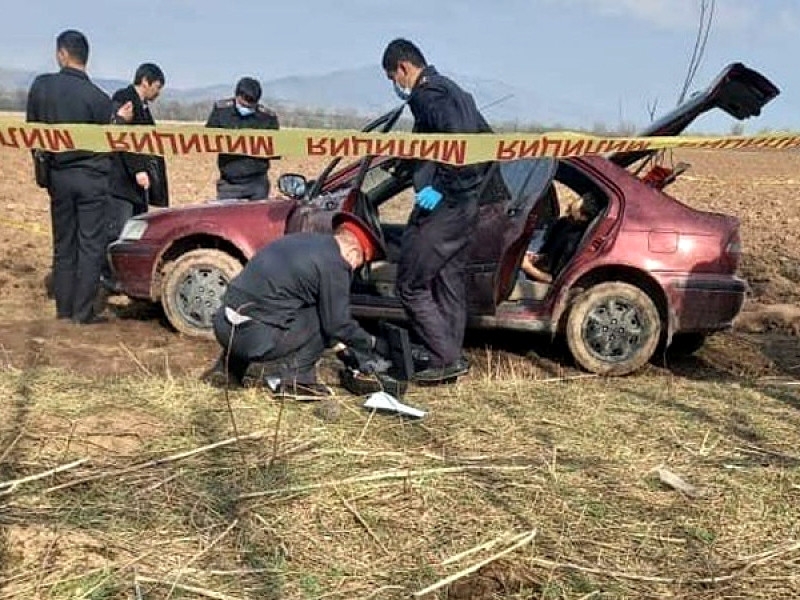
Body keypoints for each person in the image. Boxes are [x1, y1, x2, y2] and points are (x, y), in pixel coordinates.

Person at [382, 38, 492, 383]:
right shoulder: (456, 91)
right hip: (466, 204)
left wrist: (438, 188)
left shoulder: (430, 94)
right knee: (448, 280)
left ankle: (444, 357)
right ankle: (447, 355)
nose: (395, 86)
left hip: (450, 203)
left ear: (403, 68)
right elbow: (481, 144)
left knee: (410, 284)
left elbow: (457, 146)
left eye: (392, 77)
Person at [204, 212, 388, 399]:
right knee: (323, 315)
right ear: (353, 253)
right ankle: (298, 381)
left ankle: (226, 372)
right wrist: (371, 343)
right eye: (360, 263)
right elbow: (336, 324)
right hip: (253, 340)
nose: (355, 268)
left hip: (224, 327)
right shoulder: (335, 264)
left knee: (257, 306)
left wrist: (341, 350)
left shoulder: (298, 242)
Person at [26, 30, 133, 324]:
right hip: (92, 180)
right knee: (90, 245)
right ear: (86, 58)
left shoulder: (41, 87)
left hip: (59, 175)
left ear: (62, 54)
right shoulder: (98, 99)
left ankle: (63, 309)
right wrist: (120, 121)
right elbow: (111, 141)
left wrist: (44, 170)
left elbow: (32, 131)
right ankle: (82, 312)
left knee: (64, 244)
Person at [103, 63, 169, 291]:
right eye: (157, 87)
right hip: (122, 181)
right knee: (118, 230)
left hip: (137, 184)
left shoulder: (144, 106)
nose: (158, 93)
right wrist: (138, 169)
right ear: (145, 81)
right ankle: (108, 276)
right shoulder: (124, 99)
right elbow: (122, 138)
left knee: (136, 228)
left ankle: (125, 277)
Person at [205, 77, 279, 200]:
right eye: (244, 105)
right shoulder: (222, 111)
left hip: (258, 183)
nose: (247, 109)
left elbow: (276, 150)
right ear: (237, 96)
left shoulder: (267, 117)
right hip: (229, 184)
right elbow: (207, 140)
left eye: (252, 106)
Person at [521, 193, 601, 283]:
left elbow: (553, 279)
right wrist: (537, 257)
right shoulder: (564, 224)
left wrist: (527, 267)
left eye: (577, 202)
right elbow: (550, 255)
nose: (572, 202)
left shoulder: (573, 241)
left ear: (583, 217)